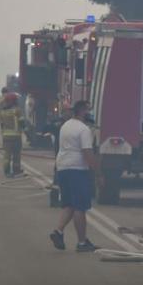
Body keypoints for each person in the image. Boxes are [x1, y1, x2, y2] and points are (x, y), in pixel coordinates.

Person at [49, 100, 99, 253]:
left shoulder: (66, 125)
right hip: (77, 169)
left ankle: (58, 232)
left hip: (63, 168)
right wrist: (97, 173)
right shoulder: (83, 129)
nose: (90, 113)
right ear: (83, 111)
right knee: (80, 207)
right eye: (89, 110)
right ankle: (82, 242)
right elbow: (87, 152)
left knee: (69, 204)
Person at [0, 91, 24, 177]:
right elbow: (21, 122)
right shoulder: (17, 110)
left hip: (6, 137)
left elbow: (1, 123)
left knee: (7, 155)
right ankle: (16, 170)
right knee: (16, 155)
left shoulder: (2, 112)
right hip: (16, 136)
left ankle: (7, 171)